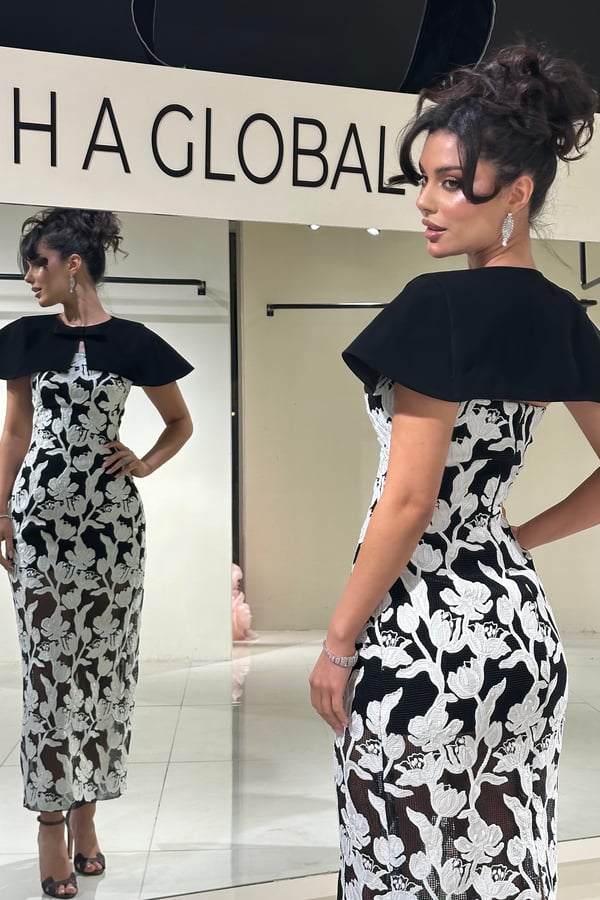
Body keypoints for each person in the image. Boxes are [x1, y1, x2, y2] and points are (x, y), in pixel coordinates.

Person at [309, 45, 600, 900]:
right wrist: (516, 538)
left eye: (449, 183)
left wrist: (336, 643)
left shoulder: (435, 305)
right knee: (503, 863)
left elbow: (409, 500)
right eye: (424, 181)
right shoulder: (562, 317)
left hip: (422, 635)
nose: (425, 203)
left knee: (399, 865)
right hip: (520, 636)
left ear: (517, 193)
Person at [0, 208, 193, 898]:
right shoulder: (25, 338)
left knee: (103, 674)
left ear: (73, 264)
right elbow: (16, 428)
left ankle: (87, 815)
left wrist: (144, 463)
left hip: (112, 529)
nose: (31, 276)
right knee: (47, 673)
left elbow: (180, 422)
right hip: (41, 522)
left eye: (39, 262)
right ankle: (49, 822)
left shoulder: (132, 342)